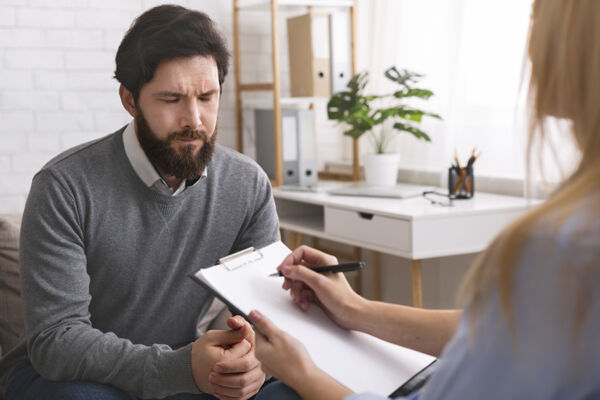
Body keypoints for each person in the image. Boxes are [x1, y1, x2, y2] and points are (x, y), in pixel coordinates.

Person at [248, 0, 600, 399]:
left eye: (536, 17)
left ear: (577, 43)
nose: (528, 44)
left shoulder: (565, 251)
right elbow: (493, 330)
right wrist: (355, 309)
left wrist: (302, 374)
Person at [0, 5, 286, 400]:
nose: (195, 120)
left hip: (186, 369)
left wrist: (254, 364)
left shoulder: (247, 184)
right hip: (70, 377)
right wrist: (182, 368)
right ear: (130, 100)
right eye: (172, 99)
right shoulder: (63, 185)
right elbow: (56, 341)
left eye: (207, 97)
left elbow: (269, 314)